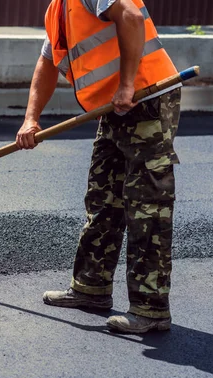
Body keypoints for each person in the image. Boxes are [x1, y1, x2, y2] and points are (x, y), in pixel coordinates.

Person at [16, 0, 182, 333]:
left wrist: (126, 84)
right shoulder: (58, 9)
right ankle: (90, 287)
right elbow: (48, 62)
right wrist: (31, 119)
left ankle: (151, 309)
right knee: (103, 198)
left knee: (147, 205)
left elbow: (132, 18)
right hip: (115, 107)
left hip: (146, 97)